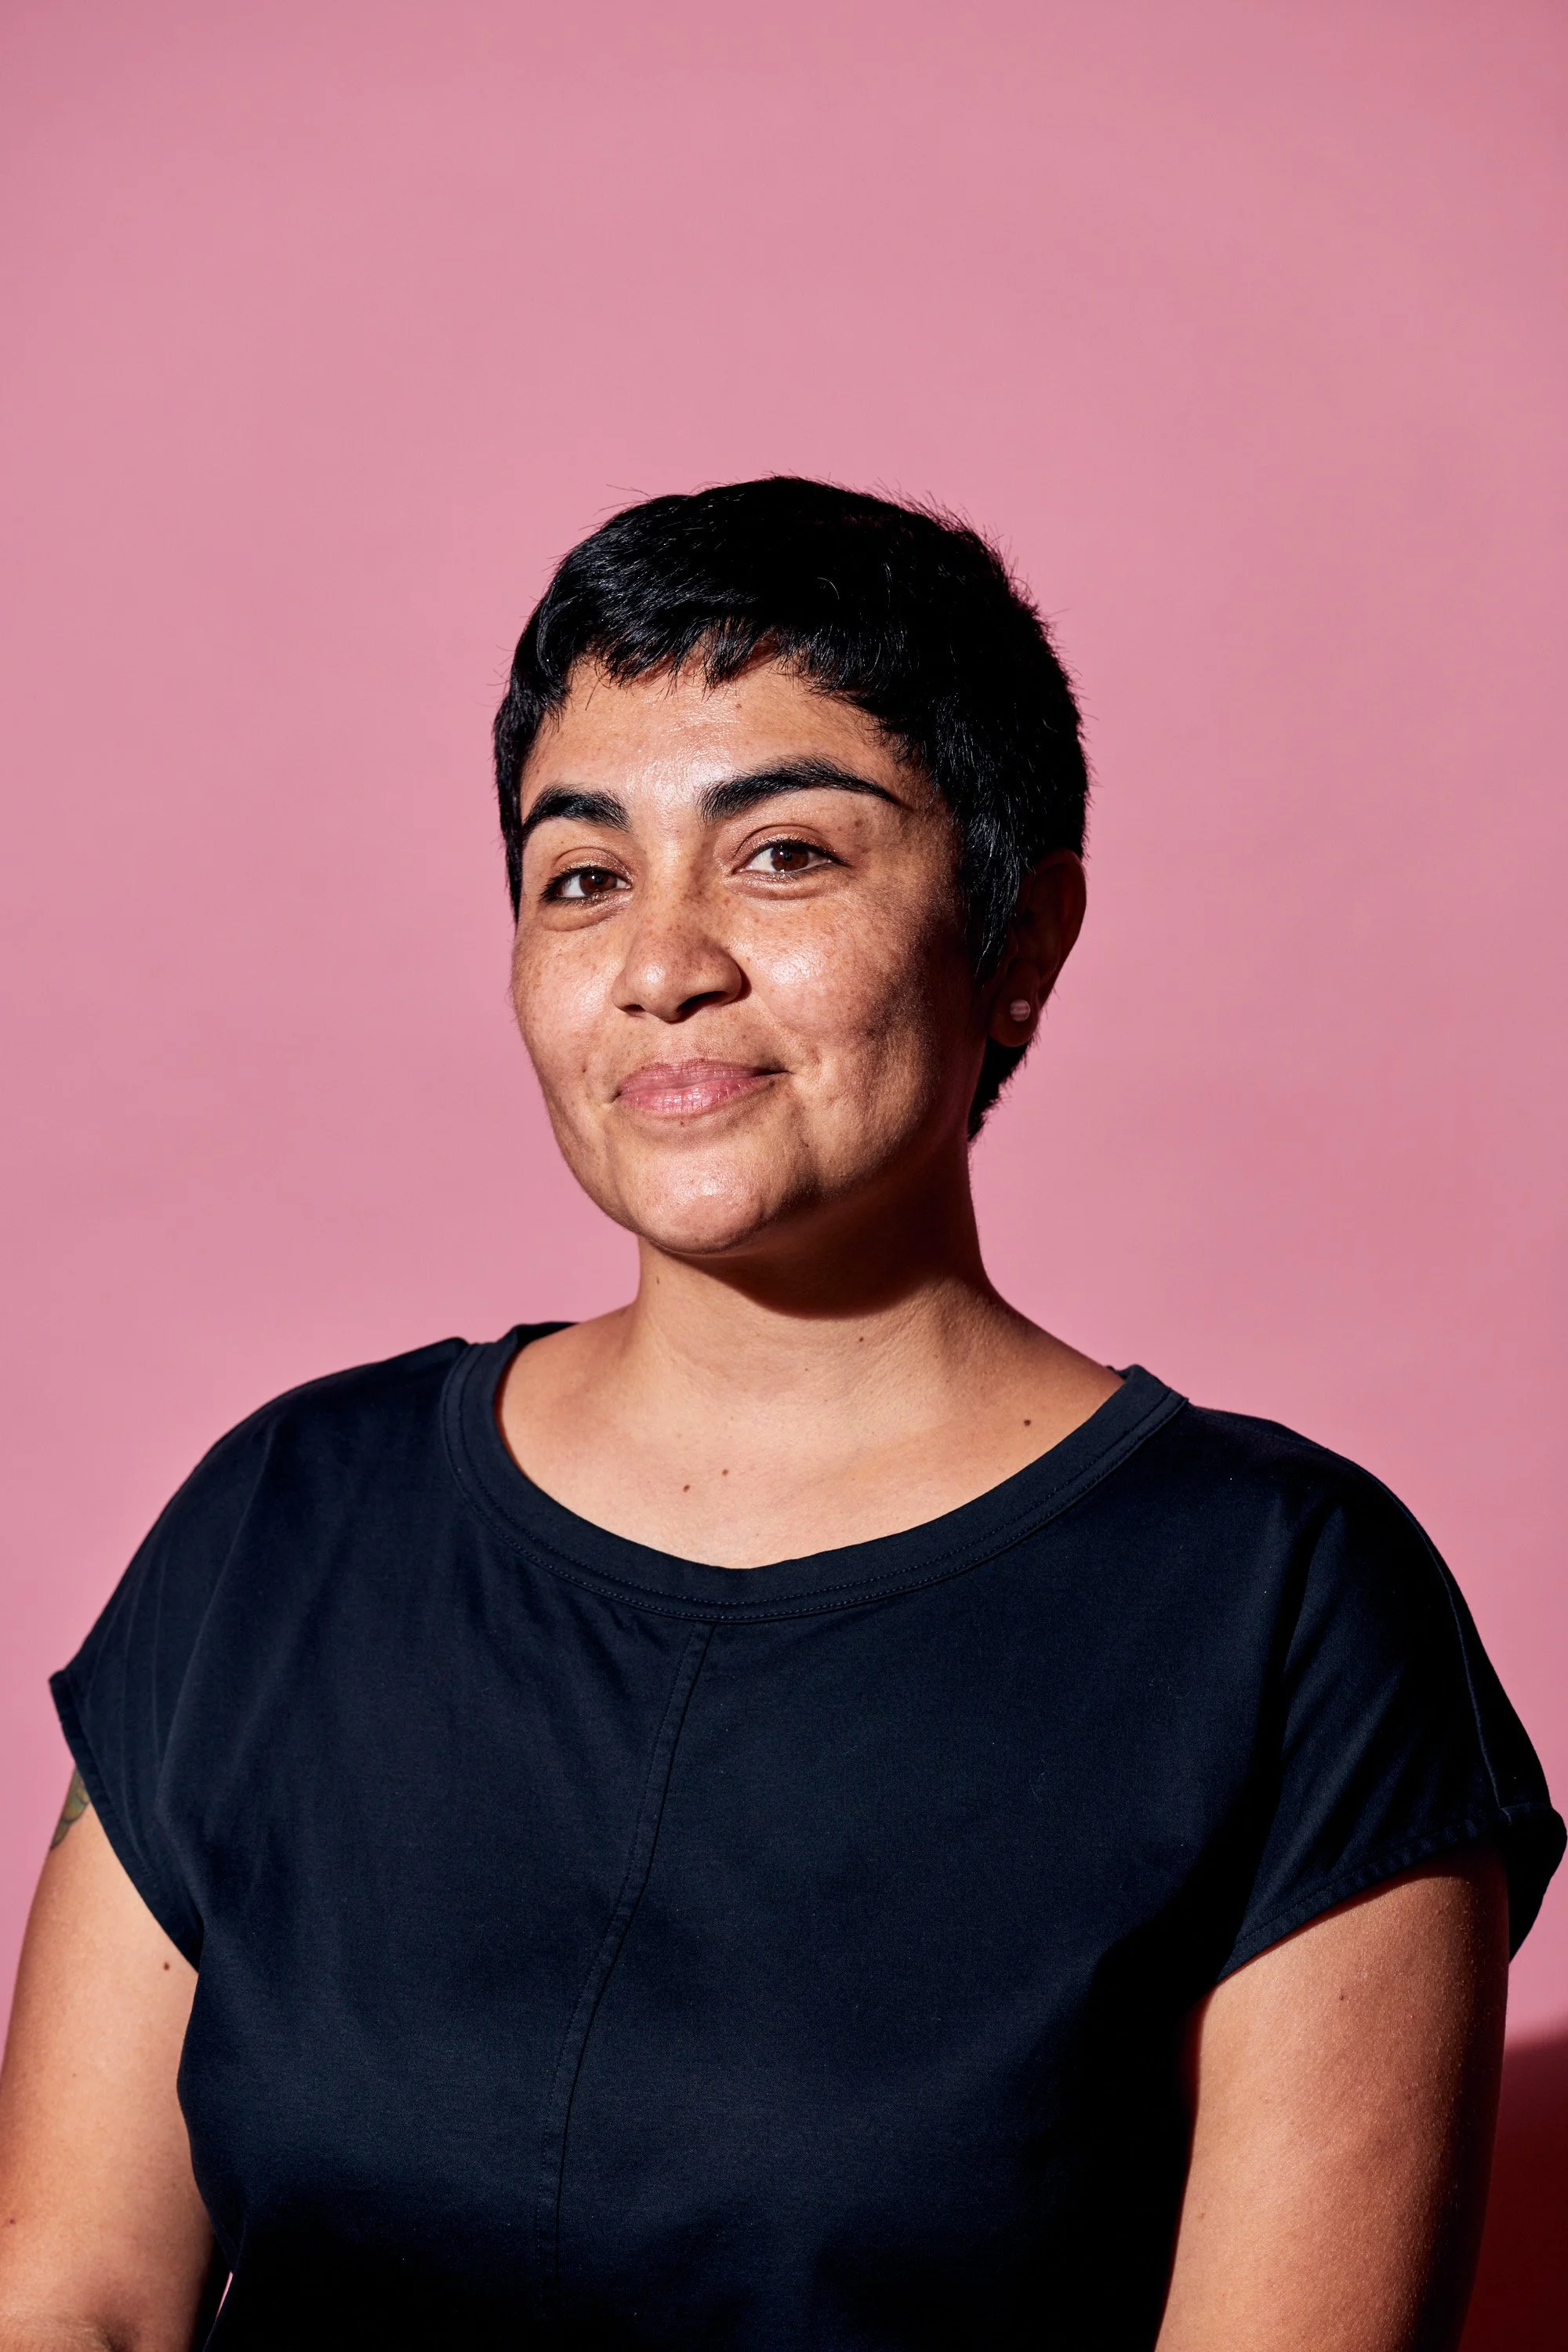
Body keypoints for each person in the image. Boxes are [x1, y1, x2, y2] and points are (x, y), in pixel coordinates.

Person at [0, 478, 1559, 2352]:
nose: (663, 965)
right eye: (580, 876)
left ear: (1021, 942)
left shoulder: (1288, 1608)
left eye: (785, 855)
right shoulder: (282, 1523)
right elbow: (72, 2295)